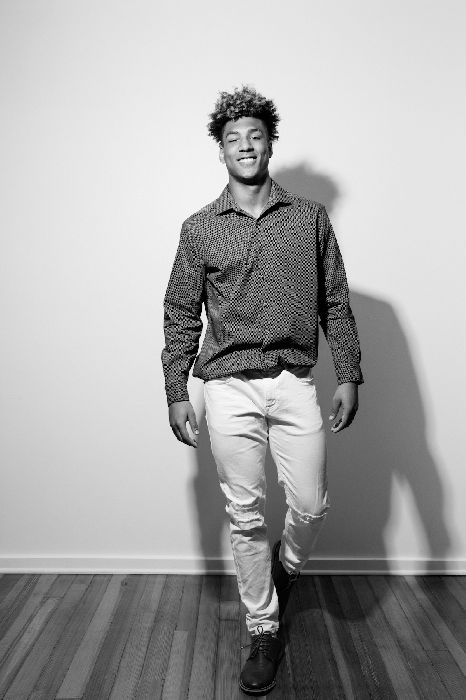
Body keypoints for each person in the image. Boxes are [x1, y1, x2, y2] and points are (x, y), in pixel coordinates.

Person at [161, 85, 363, 696]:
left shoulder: (309, 218)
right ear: (221, 151)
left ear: (271, 143)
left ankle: (286, 569)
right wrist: (176, 390)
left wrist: (348, 372)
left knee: (311, 505)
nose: (245, 146)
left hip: (293, 380)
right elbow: (179, 313)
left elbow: (335, 300)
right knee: (245, 515)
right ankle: (263, 628)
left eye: (255, 136)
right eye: (234, 139)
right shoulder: (200, 228)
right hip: (227, 386)